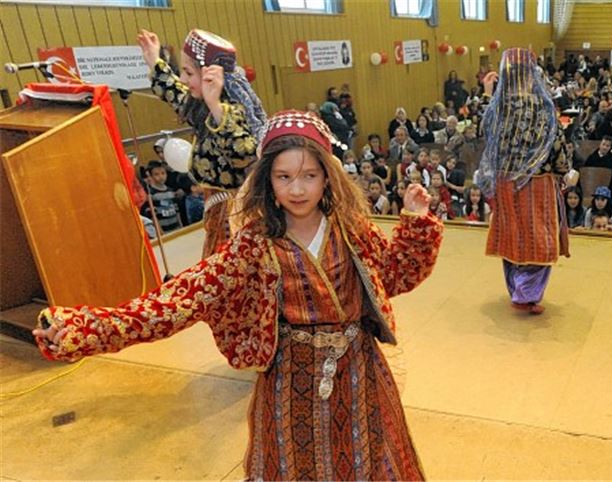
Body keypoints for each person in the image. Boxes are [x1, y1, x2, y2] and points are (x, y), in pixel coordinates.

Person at [33, 110, 442, 480]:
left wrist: (415, 220)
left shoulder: (352, 230)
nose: (296, 189)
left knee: (370, 460)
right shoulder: (253, 245)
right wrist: (82, 329)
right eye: (283, 177)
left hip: (359, 372)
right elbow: (179, 302)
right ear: (267, 180)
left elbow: (395, 275)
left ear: (327, 176)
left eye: (309, 176)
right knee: (292, 466)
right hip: (289, 379)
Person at [137, 28, 267, 258]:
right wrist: (154, 61)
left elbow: (244, 154)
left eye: (188, 72)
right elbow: (175, 94)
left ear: (211, 76)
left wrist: (216, 105)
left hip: (234, 218)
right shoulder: (200, 107)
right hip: (216, 212)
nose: (184, 80)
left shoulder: (232, 110)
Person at [477, 49, 570, 315]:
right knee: (539, 238)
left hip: (506, 183)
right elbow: (558, 147)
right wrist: (563, 172)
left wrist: (487, 93)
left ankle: (518, 289)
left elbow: (484, 135)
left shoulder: (498, 107)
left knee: (512, 236)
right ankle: (525, 293)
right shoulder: (543, 107)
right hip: (537, 185)